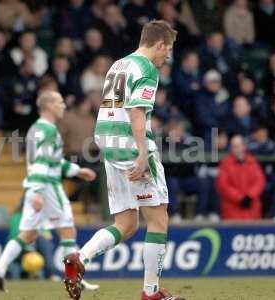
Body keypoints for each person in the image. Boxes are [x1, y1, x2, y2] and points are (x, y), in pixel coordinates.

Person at [63, 20, 183, 300]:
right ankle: (151, 292)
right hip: (130, 144)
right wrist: (142, 153)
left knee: (126, 223)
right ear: (160, 44)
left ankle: (81, 257)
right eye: (168, 50)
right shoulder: (147, 69)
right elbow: (137, 113)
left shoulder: (119, 64)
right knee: (158, 218)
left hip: (107, 142)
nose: (168, 56)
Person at [0, 90, 99, 293]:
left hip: (35, 185)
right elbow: (42, 163)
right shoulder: (48, 130)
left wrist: (76, 171)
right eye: (60, 102)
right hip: (47, 186)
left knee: (27, 234)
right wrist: (39, 191)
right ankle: (74, 279)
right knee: (67, 231)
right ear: (49, 106)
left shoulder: (36, 129)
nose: (64, 105)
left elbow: (51, 161)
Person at [216, 135, 265, 220]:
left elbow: (260, 181)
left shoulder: (252, 162)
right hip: (232, 210)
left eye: (239, 146)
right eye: (234, 146)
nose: (237, 149)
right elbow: (223, 185)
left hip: (252, 208)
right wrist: (240, 198)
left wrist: (250, 196)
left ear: (244, 146)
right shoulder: (225, 164)